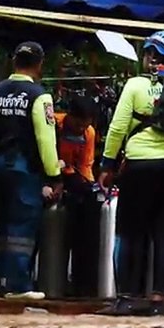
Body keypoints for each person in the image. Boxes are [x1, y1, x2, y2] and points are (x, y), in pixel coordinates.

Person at [99, 31, 164, 316]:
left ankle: (126, 298)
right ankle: (159, 299)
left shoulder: (134, 86)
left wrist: (107, 164)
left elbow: (118, 127)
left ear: (151, 57)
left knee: (131, 233)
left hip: (140, 166)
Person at [0, 42, 63, 300]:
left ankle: (3, 282)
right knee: (22, 226)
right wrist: (54, 175)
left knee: (2, 225)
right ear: (39, 65)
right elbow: (45, 140)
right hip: (24, 169)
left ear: (14, 61)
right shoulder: (39, 96)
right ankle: (19, 285)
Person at [56, 97, 100, 297]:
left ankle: (83, 284)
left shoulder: (88, 133)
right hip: (51, 175)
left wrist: (89, 185)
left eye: (86, 124)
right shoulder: (54, 124)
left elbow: (85, 164)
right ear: (69, 116)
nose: (81, 128)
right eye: (78, 123)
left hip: (74, 177)